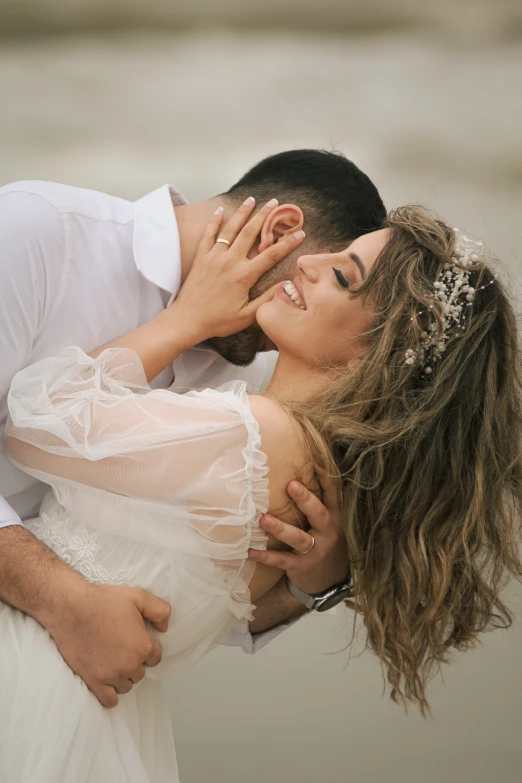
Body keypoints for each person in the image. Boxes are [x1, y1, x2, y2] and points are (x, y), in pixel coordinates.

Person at [2, 202, 521, 782]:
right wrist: (317, 590)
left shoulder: (256, 437)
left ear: (378, 353)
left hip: (34, 677)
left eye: (343, 275)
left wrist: (184, 321)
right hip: (99, 713)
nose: (309, 262)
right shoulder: (318, 469)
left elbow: (30, 426)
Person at [0, 149, 387, 707]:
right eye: (315, 273)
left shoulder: (240, 374)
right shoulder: (39, 234)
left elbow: (177, 605)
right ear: (278, 232)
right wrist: (60, 598)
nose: (288, 314)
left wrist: (314, 583)